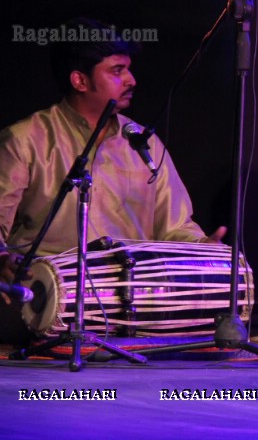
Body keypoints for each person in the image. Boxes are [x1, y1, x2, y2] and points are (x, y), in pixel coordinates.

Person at [0, 19, 225, 320]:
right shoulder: (26, 140)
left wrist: (201, 249)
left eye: (129, 69)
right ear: (80, 80)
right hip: (44, 298)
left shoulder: (146, 144)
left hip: (132, 301)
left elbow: (174, 227)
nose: (132, 80)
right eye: (117, 70)